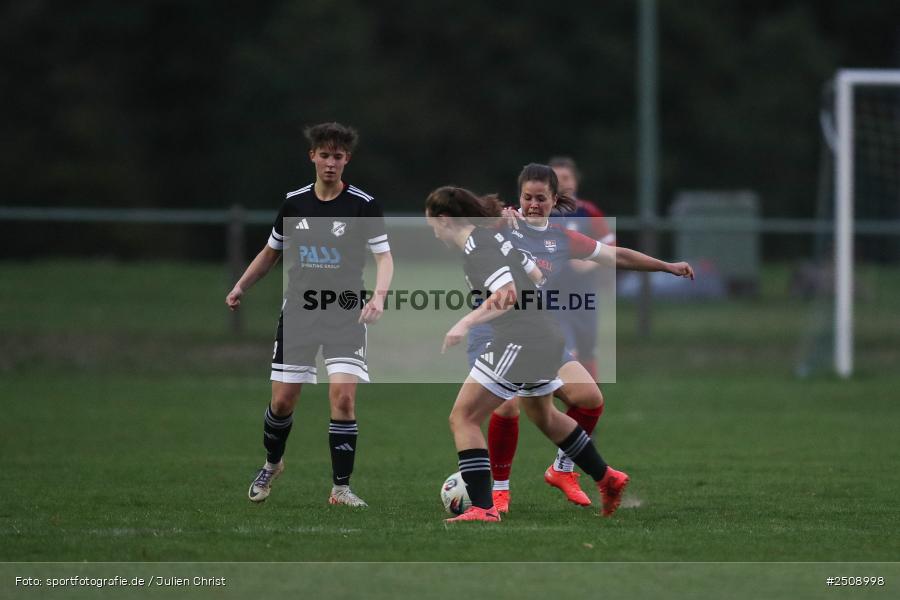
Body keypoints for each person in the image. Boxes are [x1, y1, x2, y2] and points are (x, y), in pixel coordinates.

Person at [471, 164, 693, 513]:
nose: (532, 204)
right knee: (507, 404)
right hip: (492, 330)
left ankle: (562, 469)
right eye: (526, 197)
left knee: (589, 398)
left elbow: (616, 255)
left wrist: (666, 266)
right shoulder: (502, 226)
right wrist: (494, 215)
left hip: (535, 333)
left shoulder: (561, 239)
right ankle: (499, 491)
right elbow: (464, 222)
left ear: (554, 200)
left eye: (540, 198)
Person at [426, 185, 641, 523]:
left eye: (432, 225)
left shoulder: (478, 247)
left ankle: (483, 508)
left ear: (444, 220)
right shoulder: (495, 239)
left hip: (519, 338)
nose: (433, 232)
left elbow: (508, 294)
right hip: (544, 334)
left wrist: (465, 322)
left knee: (463, 417)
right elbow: (536, 273)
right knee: (546, 417)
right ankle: (607, 478)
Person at [226, 122, 393, 507]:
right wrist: (240, 287)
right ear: (312, 157)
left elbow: (385, 258)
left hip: (346, 314)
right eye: (324, 155)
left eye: (338, 156)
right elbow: (271, 253)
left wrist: (379, 297)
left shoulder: (363, 206)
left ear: (346, 159)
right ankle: (272, 463)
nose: (330, 163)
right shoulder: (295, 203)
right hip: (300, 314)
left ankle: (340, 489)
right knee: (283, 401)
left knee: (344, 397)